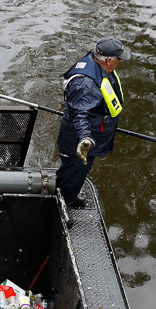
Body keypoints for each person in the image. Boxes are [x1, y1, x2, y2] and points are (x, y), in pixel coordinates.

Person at [56, 37, 131, 207]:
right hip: (78, 142)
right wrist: (84, 139)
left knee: (77, 173)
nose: (120, 62)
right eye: (119, 59)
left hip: (92, 135)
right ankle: (62, 205)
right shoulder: (85, 84)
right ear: (110, 60)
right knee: (72, 172)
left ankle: (70, 193)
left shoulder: (96, 62)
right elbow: (80, 115)